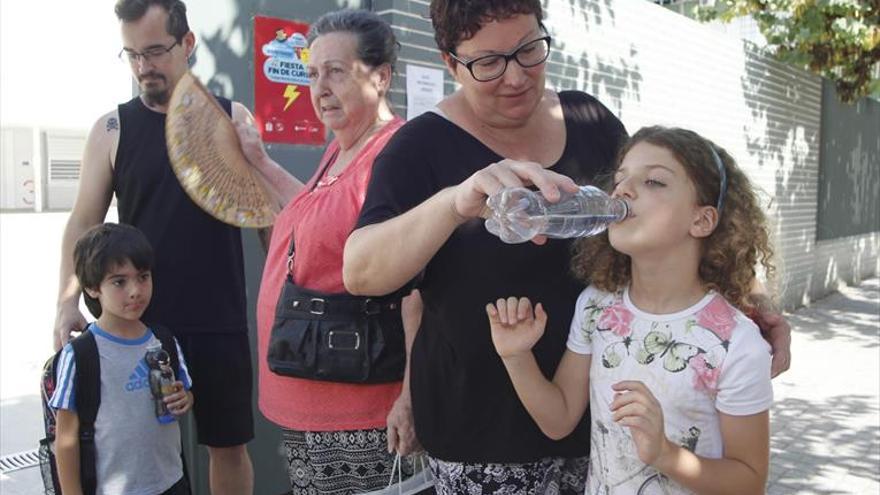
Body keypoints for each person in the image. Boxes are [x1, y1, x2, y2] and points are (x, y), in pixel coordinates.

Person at [343, 1, 792, 492]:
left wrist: (753, 296)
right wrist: (454, 202)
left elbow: (687, 215)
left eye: (530, 50)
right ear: (451, 62)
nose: (516, 77)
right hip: (485, 434)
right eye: (489, 62)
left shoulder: (588, 119)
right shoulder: (419, 148)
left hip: (606, 430)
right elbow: (361, 272)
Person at [52, 1, 271, 492]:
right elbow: (83, 222)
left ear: (187, 44)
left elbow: (266, 216)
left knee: (228, 444)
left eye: (154, 51)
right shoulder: (113, 129)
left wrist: (286, 293)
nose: (143, 67)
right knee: (134, 449)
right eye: (131, 55)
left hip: (219, 317)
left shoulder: (233, 118)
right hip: (137, 324)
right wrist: (67, 303)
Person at [487, 126, 775, 494]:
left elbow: (749, 482)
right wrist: (516, 356)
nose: (622, 190)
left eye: (654, 181)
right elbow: (558, 420)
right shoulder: (596, 306)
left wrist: (667, 455)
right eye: (621, 179)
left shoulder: (736, 344)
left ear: (701, 220)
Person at [234, 9, 420, 494]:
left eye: (336, 72)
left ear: (380, 77)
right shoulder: (340, 150)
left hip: (357, 407)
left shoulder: (394, 155)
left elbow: (418, 284)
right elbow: (318, 212)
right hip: (308, 386)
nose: (320, 88)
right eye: (313, 74)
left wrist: (411, 394)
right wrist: (260, 162)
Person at [51, 223, 194, 495]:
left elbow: (186, 392)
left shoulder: (163, 341)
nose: (135, 291)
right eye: (119, 281)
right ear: (93, 288)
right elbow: (66, 439)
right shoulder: (81, 355)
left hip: (172, 482)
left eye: (143, 277)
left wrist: (185, 399)